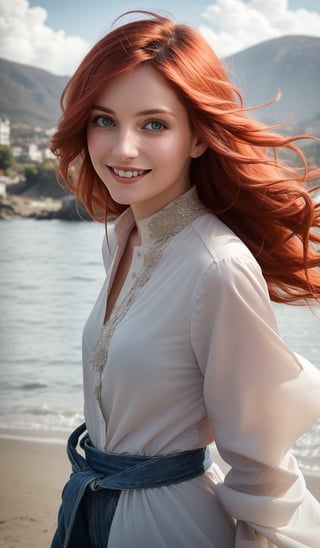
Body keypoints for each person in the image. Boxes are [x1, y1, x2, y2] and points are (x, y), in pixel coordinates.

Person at [50, 10, 320, 548]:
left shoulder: (217, 267)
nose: (122, 148)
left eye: (154, 124)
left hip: (169, 526)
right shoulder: (122, 238)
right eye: (105, 119)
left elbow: (261, 461)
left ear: (197, 138)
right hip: (90, 508)